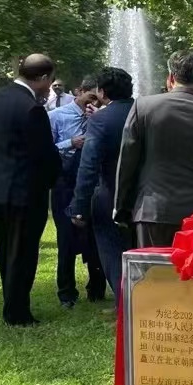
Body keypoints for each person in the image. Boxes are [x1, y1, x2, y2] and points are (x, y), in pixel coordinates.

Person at [115, 51, 193, 249]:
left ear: (171, 77)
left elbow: (127, 162)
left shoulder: (143, 107)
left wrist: (121, 207)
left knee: (153, 276)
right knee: (192, 277)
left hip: (152, 211)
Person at [0, 54, 60, 326]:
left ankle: (12, 303)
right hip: (24, 192)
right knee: (24, 253)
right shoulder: (31, 108)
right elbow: (44, 154)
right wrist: (54, 178)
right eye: (49, 80)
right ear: (42, 78)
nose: (50, 86)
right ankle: (17, 312)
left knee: (6, 250)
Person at [69, 67, 134, 300]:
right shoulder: (147, 113)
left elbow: (89, 167)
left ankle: (125, 310)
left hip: (110, 198)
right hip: (146, 199)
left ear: (102, 92)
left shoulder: (100, 120)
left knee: (114, 259)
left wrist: (79, 206)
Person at [48, 76, 105, 308]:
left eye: (98, 100)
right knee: (66, 237)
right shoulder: (55, 116)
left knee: (95, 234)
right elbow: (45, 148)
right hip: (65, 182)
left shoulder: (101, 117)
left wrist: (96, 121)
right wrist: (70, 143)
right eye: (90, 98)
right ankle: (66, 293)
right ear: (78, 91)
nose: (93, 103)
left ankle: (97, 288)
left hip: (92, 182)